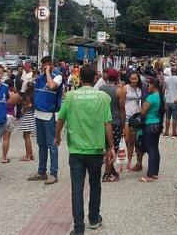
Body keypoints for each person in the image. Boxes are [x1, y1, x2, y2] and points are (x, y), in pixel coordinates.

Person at [54, 65, 116, 234]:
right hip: (96, 150)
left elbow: (60, 119)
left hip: (76, 150)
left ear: (79, 78)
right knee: (95, 184)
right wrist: (111, 147)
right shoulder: (103, 98)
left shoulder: (71, 96)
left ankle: (79, 228)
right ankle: (94, 219)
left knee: (77, 188)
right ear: (95, 78)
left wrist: (57, 136)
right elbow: (107, 124)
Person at [28, 56, 63, 185]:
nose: (44, 67)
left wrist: (48, 72)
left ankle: (53, 173)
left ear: (51, 65)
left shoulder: (57, 76)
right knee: (41, 145)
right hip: (38, 114)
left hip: (49, 115)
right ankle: (41, 171)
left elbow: (52, 86)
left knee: (52, 145)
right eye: (43, 65)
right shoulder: (39, 79)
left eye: (46, 65)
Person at [100, 68, 126, 182]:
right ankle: (107, 173)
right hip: (114, 121)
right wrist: (123, 124)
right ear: (117, 78)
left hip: (102, 121)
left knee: (106, 145)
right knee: (112, 147)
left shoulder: (101, 89)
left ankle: (111, 170)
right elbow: (121, 110)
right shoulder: (120, 91)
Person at [140, 77, 165, 182]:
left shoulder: (151, 98)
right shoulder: (160, 97)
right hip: (157, 124)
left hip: (149, 125)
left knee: (151, 150)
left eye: (148, 85)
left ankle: (149, 175)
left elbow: (143, 111)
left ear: (153, 85)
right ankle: (155, 172)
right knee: (155, 148)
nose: (147, 87)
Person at [123, 71, 145, 172]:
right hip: (127, 115)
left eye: (135, 79)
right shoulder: (125, 88)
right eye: (132, 79)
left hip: (136, 116)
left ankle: (129, 161)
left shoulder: (141, 88)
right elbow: (122, 102)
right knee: (127, 140)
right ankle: (126, 159)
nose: (134, 81)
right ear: (129, 79)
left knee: (134, 140)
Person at [163, 66, 177, 138]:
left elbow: (163, 90)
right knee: (175, 118)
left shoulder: (166, 79)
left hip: (168, 100)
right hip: (176, 101)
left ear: (171, 72)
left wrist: (163, 100)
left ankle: (166, 132)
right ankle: (174, 133)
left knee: (167, 117)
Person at [18, 81, 36, 161]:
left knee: (26, 136)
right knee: (26, 136)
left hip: (27, 116)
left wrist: (23, 109)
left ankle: (28, 155)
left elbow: (29, 105)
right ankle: (31, 153)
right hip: (32, 116)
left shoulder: (27, 96)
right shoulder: (34, 95)